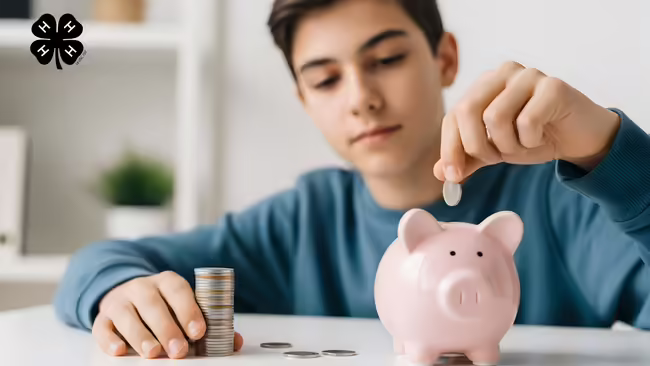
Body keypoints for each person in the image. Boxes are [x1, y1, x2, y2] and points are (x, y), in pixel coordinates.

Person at [54, 0, 650, 360]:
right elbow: (98, 261)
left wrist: (612, 151)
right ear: (303, 100)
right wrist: (119, 292)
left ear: (443, 58)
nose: (362, 99)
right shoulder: (299, 223)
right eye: (325, 79)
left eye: (386, 60)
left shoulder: (564, 200)